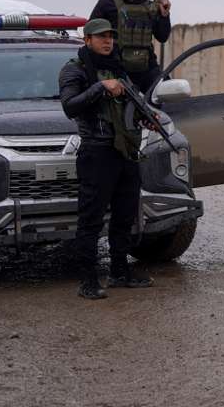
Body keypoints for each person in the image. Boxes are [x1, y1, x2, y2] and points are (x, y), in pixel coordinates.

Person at [59, 18, 153, 299]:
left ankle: (119, 272)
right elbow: (69, 106)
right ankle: (87, 282)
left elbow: (131, 104)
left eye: (110, 36)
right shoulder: (74, 69)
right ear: (86, 40)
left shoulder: (117, 67)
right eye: (100, 37)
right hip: (96, 152)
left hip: (125, 151)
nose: (107, 41)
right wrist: (101, 87)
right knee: (91, 219)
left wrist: (147, 117)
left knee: (125, 215)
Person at [89, 0, 171, 94]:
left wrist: (165, 15)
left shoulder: (150, 6)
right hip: (117, 69)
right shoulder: (106, 4)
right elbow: (91, 34)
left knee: (168, 93)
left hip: (147, 70)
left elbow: (162, 36)